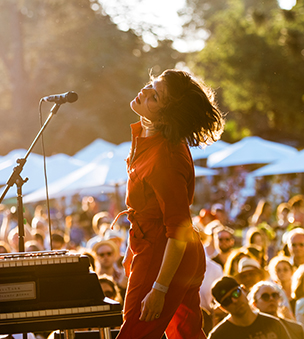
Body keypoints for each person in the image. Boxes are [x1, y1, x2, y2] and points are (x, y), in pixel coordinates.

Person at [114, 69, 224, 339]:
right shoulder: (148, 136)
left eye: (156, 96)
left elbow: (178, 230)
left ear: (166, 114)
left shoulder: (167, 155)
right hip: (162, 251)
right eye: (151, 84)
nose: (146, 91)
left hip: (167, 253)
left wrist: (159, 289)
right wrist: (132, 253)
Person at [208, 276, 291, 338]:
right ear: (223, 308)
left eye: (236, 293)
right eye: (227, 301)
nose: (234, 301)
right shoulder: (218, 336)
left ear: (244, 290)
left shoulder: (273, 324)